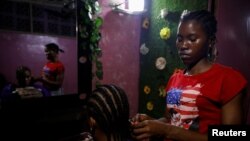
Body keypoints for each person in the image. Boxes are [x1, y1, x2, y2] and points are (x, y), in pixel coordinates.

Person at [131, 10, 247, 141]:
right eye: (179, 39)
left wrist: (167, 131)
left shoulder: (228, 79)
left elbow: (233, 135)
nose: (183, 45)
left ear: (210, 41)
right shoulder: (175, 78)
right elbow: (172, 120)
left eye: (192, 39)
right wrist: (151, 123)